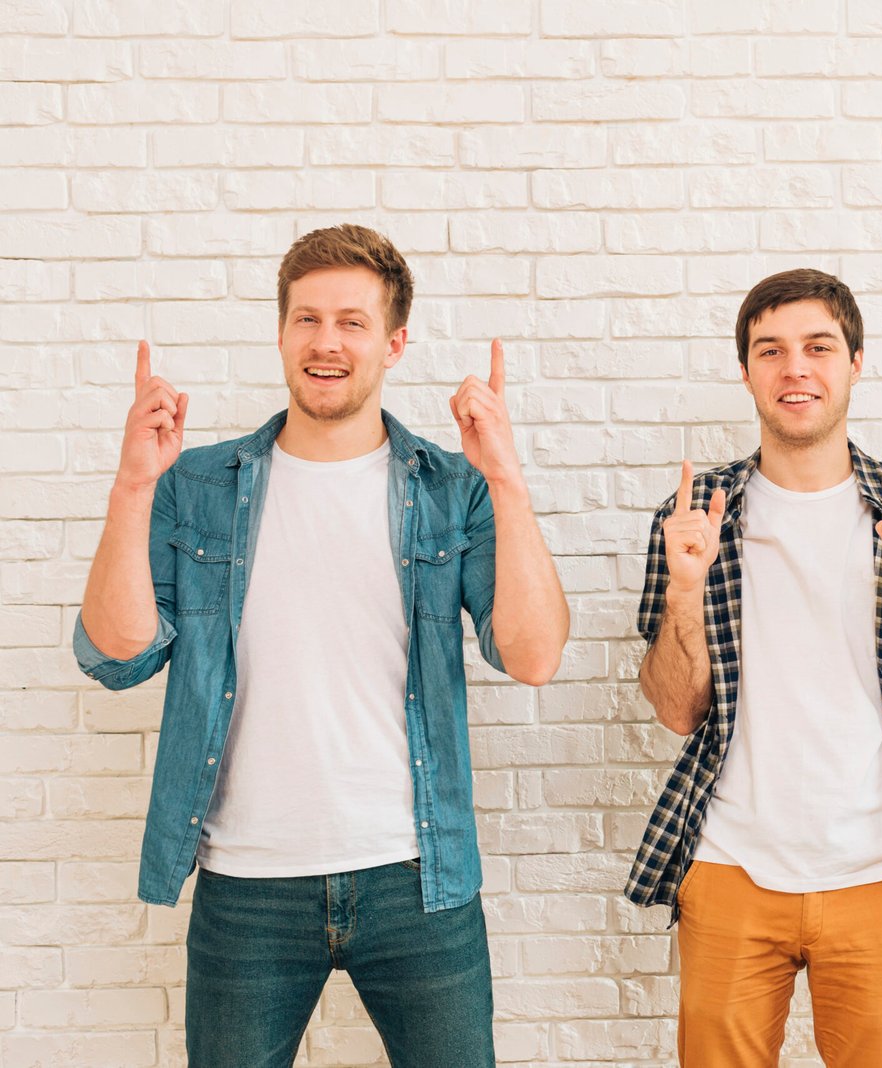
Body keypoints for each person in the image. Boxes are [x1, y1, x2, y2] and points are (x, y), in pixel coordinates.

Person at [74, 224, 569, 1067]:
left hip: (418, 875)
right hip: (247, 882)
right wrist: (132, 488)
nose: (326, 342)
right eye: (306, 320)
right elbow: (117, 655)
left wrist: (507, 481)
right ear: (280, 335)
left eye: (351, 321)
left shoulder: (451, 489)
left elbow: (531, 655)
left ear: (394, 343)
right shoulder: (193, 486)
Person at [625, 268, 882, 1066]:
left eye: (818, 347)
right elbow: (675, 708)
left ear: (855, 363)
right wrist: (684, 594)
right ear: (748, 371)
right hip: (727, 867)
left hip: (881, 870)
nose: (796, 369)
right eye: (771, 351)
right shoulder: (694, 516)